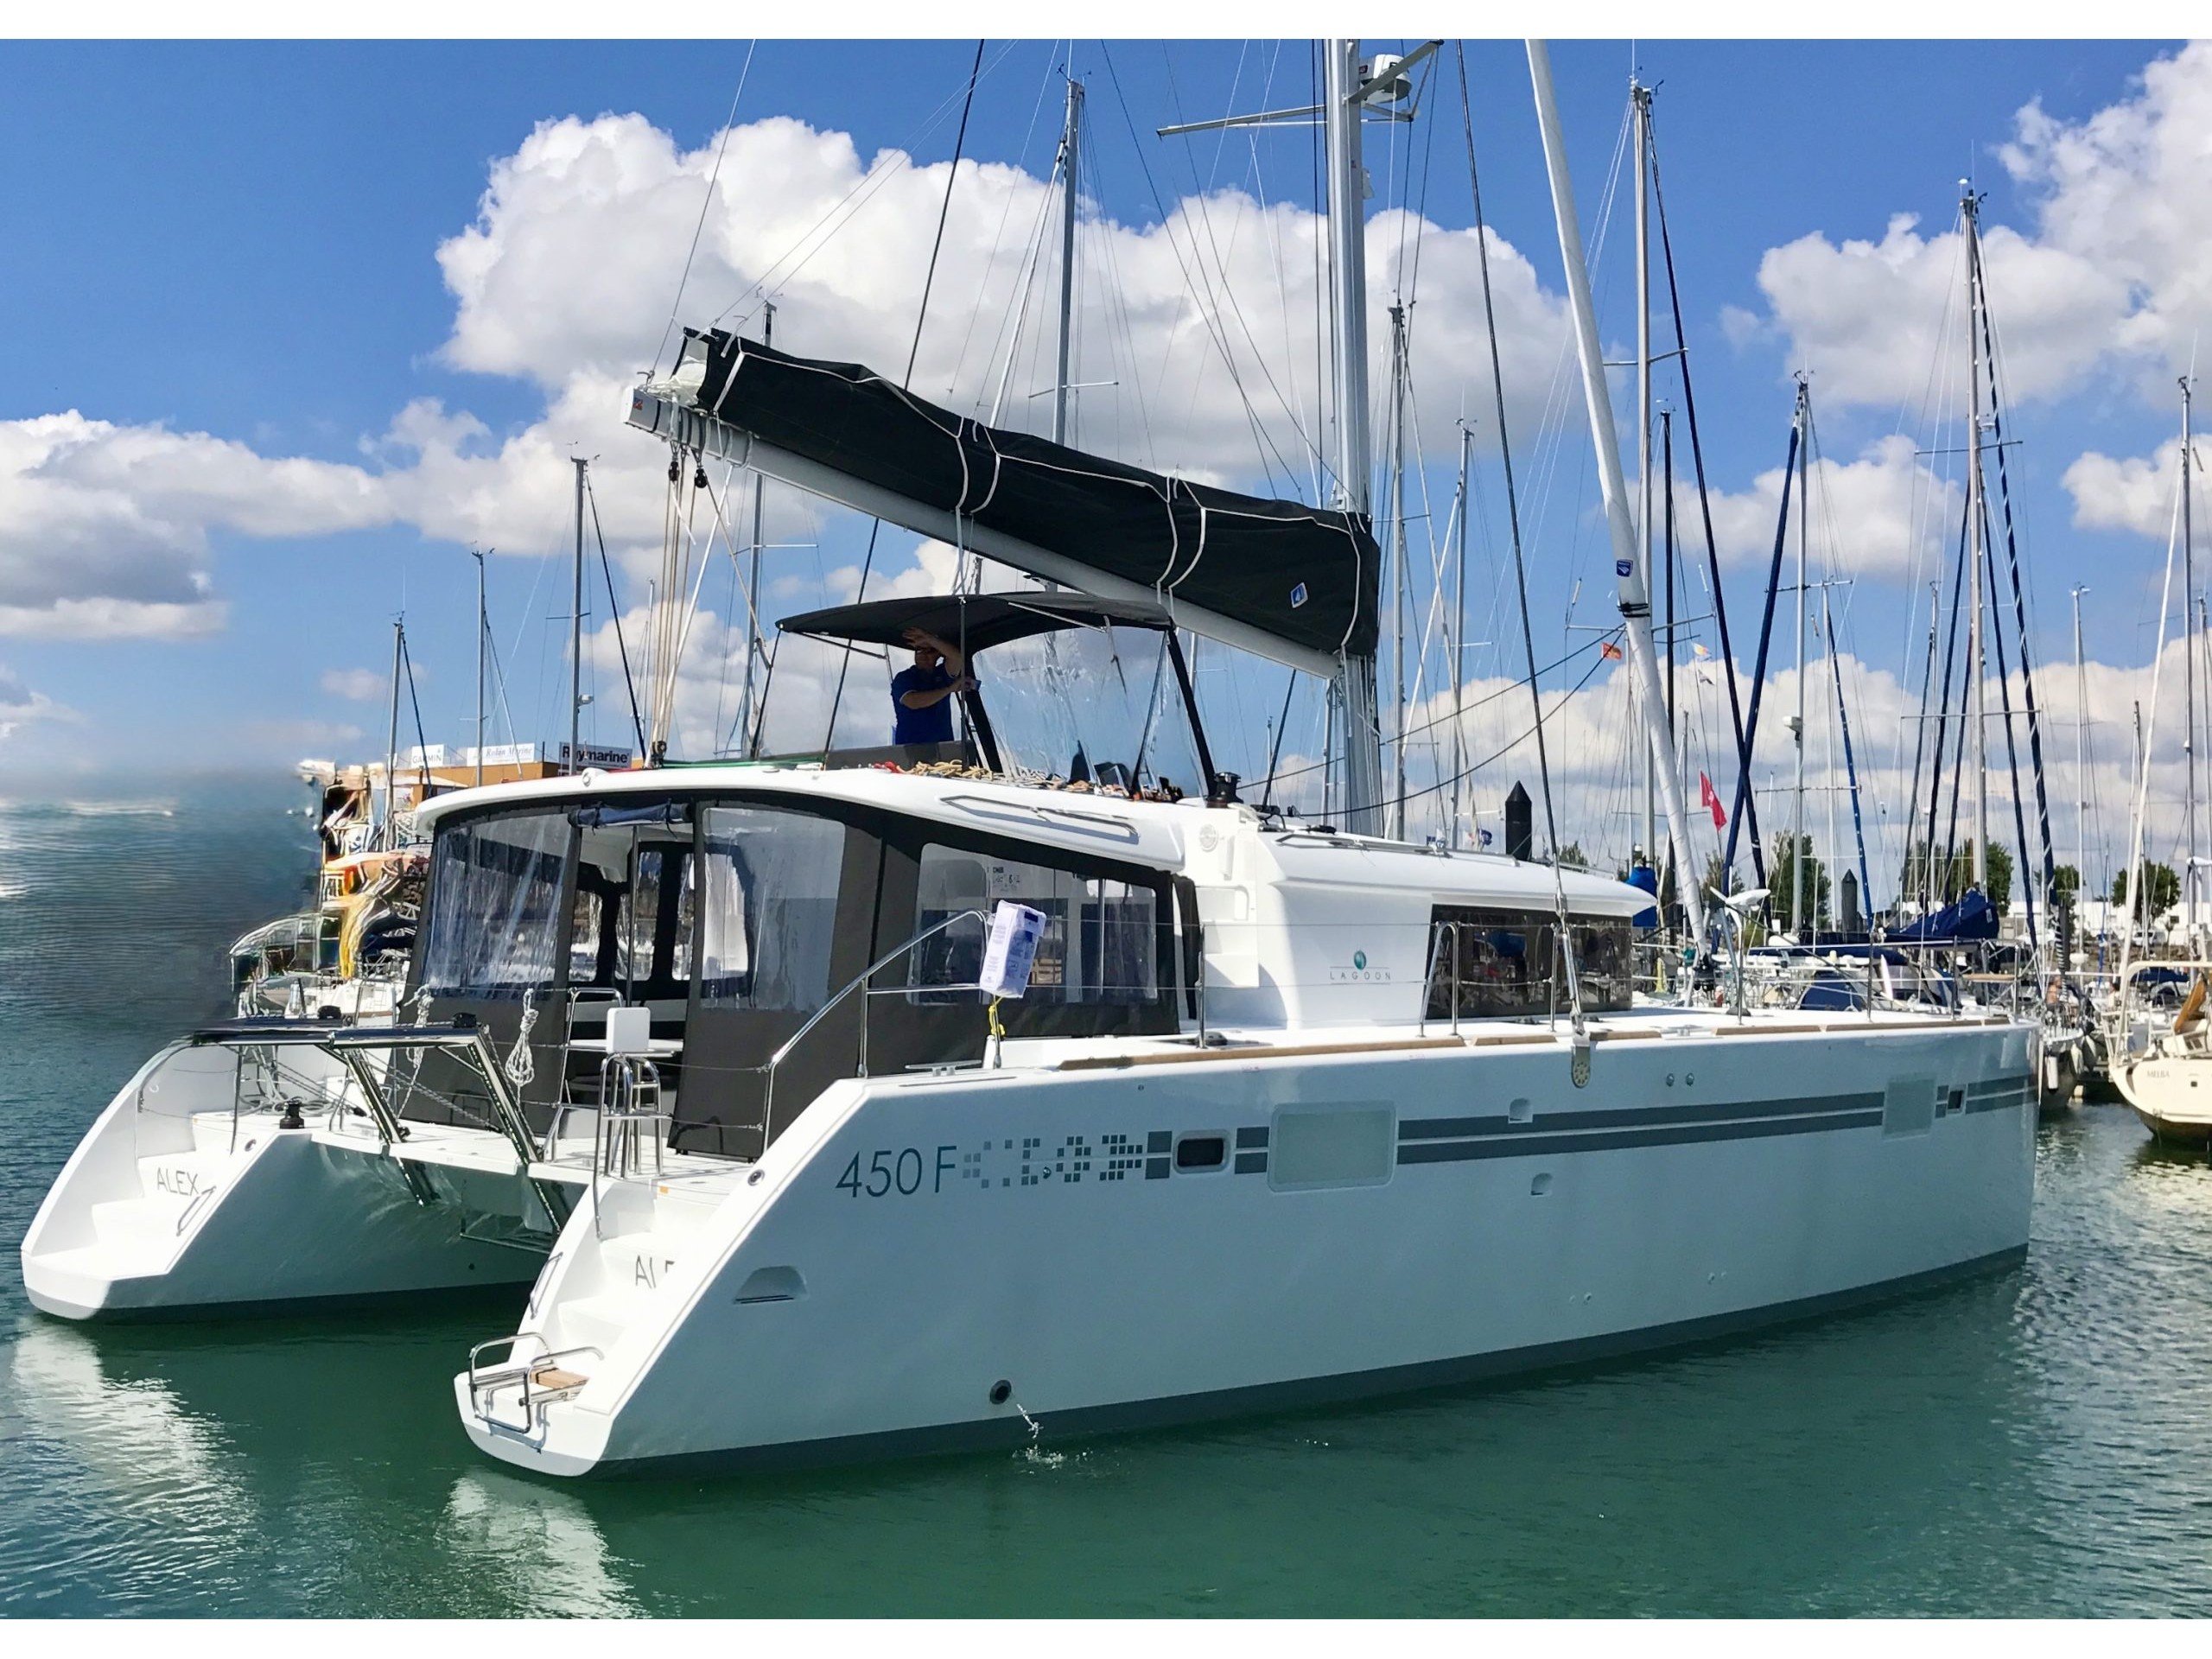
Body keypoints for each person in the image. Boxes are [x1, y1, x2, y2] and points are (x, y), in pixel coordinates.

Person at [890, 627, 975, 747]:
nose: (923, 655)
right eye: (919, 650)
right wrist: (949, 689)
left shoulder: (942, 674)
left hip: (944, 749)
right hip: (911, 750)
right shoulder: (904, 678)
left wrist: (929, 638)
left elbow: (957, 658)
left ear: (938, 654)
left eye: (929, 651)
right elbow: (914, 702)